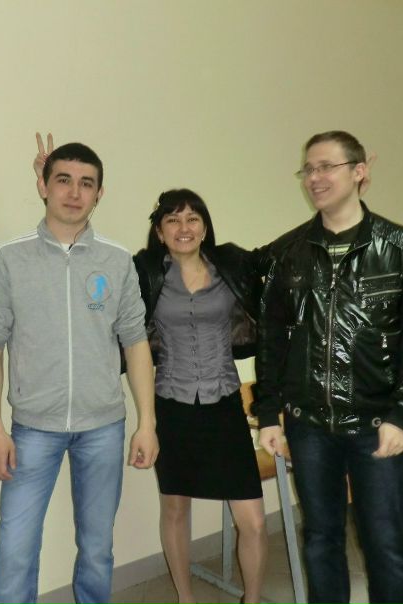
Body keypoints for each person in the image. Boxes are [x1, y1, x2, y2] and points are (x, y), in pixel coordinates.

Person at [255, 130, 403, 604]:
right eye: (308, 169)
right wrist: (269, 413)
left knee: (385, 544)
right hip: (309, 426)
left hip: (377, 425)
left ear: (359, 172)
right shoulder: (288, 252)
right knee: (321, 540)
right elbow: (272, 340)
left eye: (326, 167)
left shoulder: (402, 247)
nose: (314, 178)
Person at [0, 138, 158, 604]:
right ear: (44, 186)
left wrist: (147, 423)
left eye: (86, 183)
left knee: (97, 550)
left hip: (103, 427)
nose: (74, 193)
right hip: (33, 430)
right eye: (63, 180)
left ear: (99, 194)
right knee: (15, 551)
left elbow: (136, 343)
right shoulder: (10, 258)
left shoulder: (117, 260)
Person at [133, 189, 267, 604]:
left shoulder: (232, 266)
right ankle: (186, 599)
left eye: (192, 218)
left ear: (205, 228)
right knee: (175, 509)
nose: (184, 227)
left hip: (224, 404)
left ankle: (251, 600)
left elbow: (277, 258)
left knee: (254, 521)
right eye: (173, 220)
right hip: (171, 407)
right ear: (159, 232)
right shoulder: (146, 275)